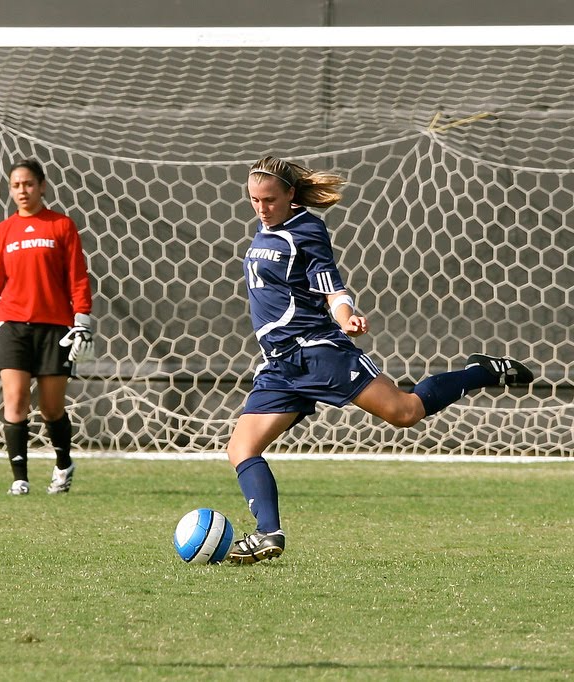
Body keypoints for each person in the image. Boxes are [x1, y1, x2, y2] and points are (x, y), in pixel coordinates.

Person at [226, 155, 533, 565]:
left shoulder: (307, 231)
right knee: (241, 449)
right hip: (280, 365)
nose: (261, 209)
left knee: (405, 412)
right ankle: (269, 534)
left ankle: (480, 371)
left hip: (318, 353)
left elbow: (333, 290)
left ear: (291, 196)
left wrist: (346, 318)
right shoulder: (266, 230)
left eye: (269, 200)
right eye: (254, 200)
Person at [0, 159, 94, 496]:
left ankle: (64, 465)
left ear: (42, 186)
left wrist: (82, 320)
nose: (22, 191)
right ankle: (19, 478)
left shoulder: (62, 226)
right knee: (15, 399)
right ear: (10, 190)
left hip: (55, 328)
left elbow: (77, 277)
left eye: (28, 184)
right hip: (13, 328)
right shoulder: (2, 232)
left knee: (51, 407)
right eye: (16, 185)